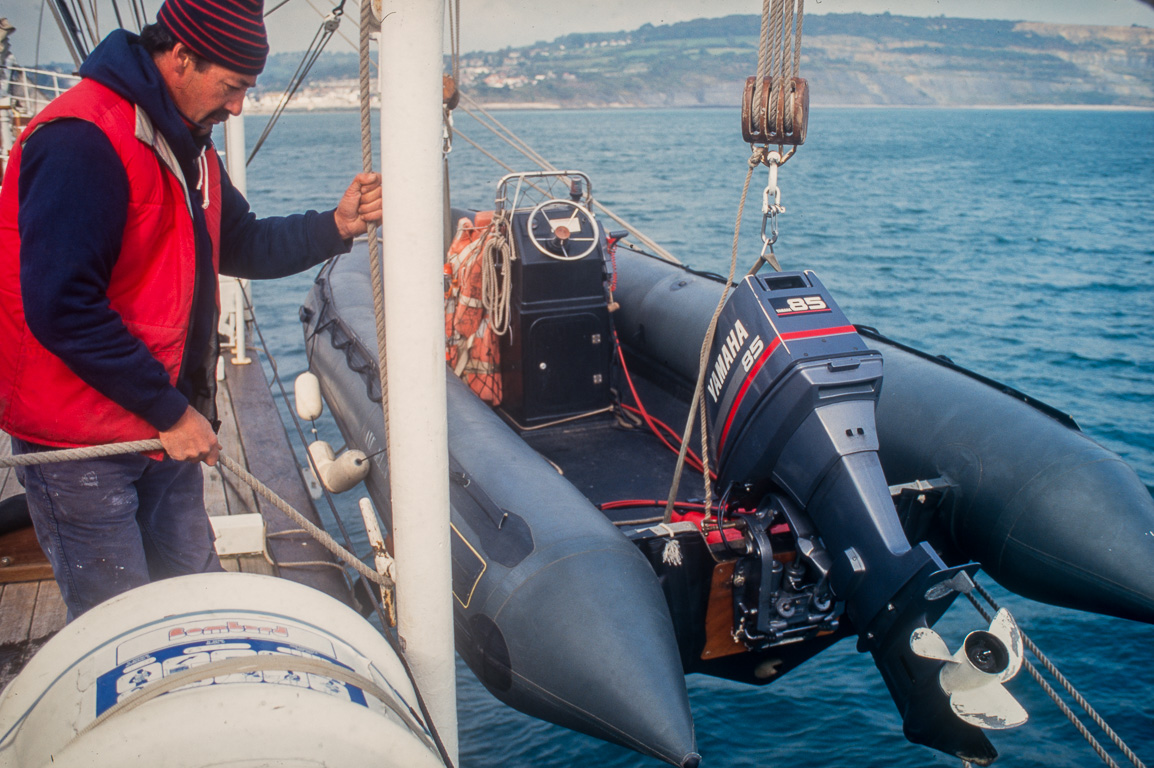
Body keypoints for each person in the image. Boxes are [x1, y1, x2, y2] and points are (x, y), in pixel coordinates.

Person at [0, 0, 382, 619]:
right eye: (231, 87)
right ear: (180, 57)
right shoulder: (84, 139)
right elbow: (61, 305)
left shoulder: (191, 144)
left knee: (195, 596)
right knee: (118, 624)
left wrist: (336, 226)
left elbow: (240, 241)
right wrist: (171, 410)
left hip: (161, 427)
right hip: (84, 439)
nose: (237, 107)